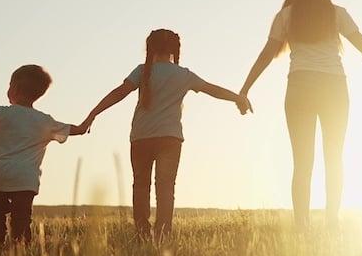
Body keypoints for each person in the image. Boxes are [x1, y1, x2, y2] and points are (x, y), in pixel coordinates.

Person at [238, 0, 362, 230]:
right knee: (334, 158)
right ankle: (332, 221)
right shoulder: (336, 14)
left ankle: (302, 226)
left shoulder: (285, 16)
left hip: (299, 88)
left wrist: (244, 90)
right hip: (333, 88)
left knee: (302, 163)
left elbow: (266, 55)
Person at [82, 29, 248, 237]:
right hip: (170, 138)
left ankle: (142, 231)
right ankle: (162, 234)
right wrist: (238, 98)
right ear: (175, 49)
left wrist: (93, 114)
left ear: (150, 48)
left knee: (141, 185)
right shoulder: (184, 75)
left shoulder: (142, 71)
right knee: (166, 187)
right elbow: (213, 90)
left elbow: (118, 93)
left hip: (141, 137)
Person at [0, 65, 88, 245]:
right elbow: (74, 130)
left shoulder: (1, 113)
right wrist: (86, 124)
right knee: (21, 215)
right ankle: (20, 246)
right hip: (26, 177)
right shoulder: (45, 121)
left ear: (14, 88)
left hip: (1, 173)